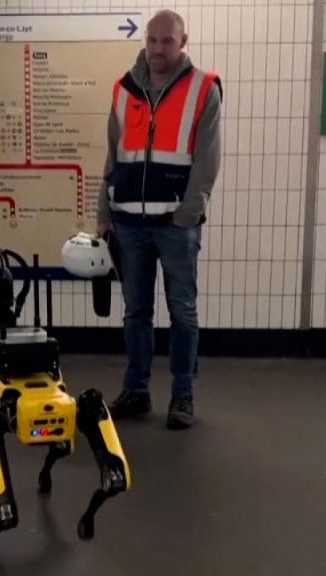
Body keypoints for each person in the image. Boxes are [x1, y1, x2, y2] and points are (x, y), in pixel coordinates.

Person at [96, 9, 222, 430]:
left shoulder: (203, 90)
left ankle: (182, 396)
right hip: (128, 223)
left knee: (182, 313)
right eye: (152, 40)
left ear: (182, 43)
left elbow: (207, 160)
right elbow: (112, 158)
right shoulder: (123, 89)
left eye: (167, 41)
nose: (157, 49)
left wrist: (188, 214)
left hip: (176, 226)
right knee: (136, 313)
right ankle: (136, 390)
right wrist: (103, 212)